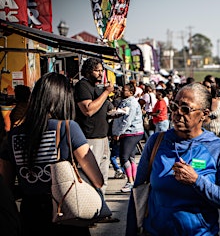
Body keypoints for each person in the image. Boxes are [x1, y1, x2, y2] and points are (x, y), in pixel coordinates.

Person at [125, 83, 220, 236]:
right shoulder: (156, 142)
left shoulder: (218, 148)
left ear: (204, 114)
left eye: (186, 109)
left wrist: (196, 181)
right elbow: (137, 193)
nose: (178, 113)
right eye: (174, 107)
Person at [0, 72, 104, 235]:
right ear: (64, 99)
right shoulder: (68, 128)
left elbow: (5, 185)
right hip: (66, 213)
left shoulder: (13, 135)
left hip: (30, 217)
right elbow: (97, 180)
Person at [74, 58, 119, 223]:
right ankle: (91, 212)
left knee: (103, 177)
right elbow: (88, 110)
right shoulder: (82, 86)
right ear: (87, 71)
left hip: (102, 137)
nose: (101, 74)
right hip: (90, 138)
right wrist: (106, 93)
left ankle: (101, 211)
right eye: (97, 70)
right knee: (90, 177)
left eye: (102, 70)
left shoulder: (96, 88)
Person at [112, 83, 145, 193]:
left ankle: (130, 181)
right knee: (130, 157)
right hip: (132, 132)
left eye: (125, 90)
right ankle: (134, 180)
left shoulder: (131, 103)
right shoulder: (126, 101)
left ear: (131, 92)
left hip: (131, 132)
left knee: (123, 157)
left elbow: (127, 121)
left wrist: (118, 133)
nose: (122, 91)